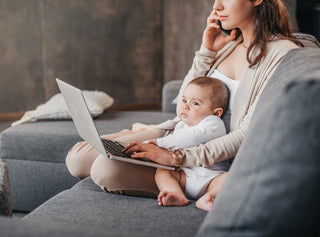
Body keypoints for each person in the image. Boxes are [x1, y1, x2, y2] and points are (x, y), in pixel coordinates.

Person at [66, 0, 302, 209]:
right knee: (77, 159)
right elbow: (184, 101)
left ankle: (147, 148)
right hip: (177, 132)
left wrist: (175, 157)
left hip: (204, 160)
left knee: (103, 169)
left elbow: (245, 135)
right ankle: (136, 132)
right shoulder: (230, 43)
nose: (216, 7)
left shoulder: (281, 54)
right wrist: (207, 50)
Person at [152, 76, 229, 210]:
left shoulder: (214, 123)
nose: (185, 107)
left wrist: (159, 143)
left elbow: (191, 137)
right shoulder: (181, 125)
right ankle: (175, 193)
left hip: (211, 179)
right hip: (185, 176)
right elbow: (175, 147)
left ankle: (209, 197)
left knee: (229, 178)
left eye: (195, 103)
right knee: (163, 171)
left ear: (216, 112)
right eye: (184, 100)